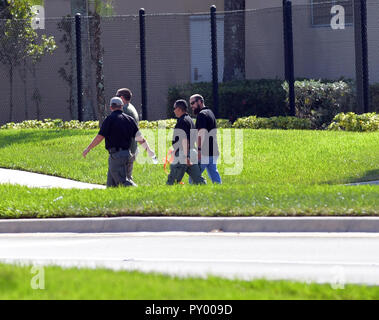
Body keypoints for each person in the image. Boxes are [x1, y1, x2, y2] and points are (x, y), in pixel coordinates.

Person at [82, 97, 156, 187]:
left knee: (123, 182)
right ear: (122, 106)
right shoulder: (129, 120)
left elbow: (99, 138)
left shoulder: (109, 120)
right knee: (111, 185)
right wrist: (149, 150)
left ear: (111, 107)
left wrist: (88, 148)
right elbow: (140, 138)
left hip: (116, 156)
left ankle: (140, 191)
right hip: (127, 155)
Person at [166, 99, 206, 185]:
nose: (173, 110)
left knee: (172, 181)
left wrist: (185, 156)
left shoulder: (182, 121)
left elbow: (185, 140)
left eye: (174, 108)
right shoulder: (190, 120)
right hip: (192, 152)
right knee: (198, 180)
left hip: (183, 154)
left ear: (179, 109)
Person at [189, 94, 222, 184]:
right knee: (214, 175)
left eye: (193, 103)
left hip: (205, 153)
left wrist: (199, 150)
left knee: (193, 177)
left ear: (200, 101)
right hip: (214, 151)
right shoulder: (210, 112)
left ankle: (195, 195)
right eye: (190, 104)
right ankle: (220, 192)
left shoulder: (201, 115)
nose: (191, 106)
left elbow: (202, 133)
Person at [115, 88, 139, 181]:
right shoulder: (131, 107)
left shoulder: (124, 109)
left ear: (121, 98)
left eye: (117, 97)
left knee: (124, 179)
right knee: (126, 177)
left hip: (126, 149)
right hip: (132, 147)